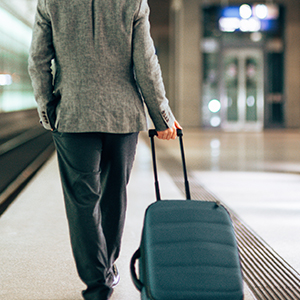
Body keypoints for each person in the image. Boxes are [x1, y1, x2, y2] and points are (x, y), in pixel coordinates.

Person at [28, 0, 181, 299]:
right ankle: (107, 268)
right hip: (122, 116)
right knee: (114, 194)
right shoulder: (133, 2)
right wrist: (163, 117)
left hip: (72, 114)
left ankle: (97, 282)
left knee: (82, 200)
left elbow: (38, 60)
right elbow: (146, 63)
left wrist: (48, 110)